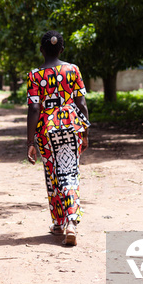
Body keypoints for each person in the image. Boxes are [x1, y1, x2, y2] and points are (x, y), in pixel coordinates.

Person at [26, 30, 90, 247]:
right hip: (72, 127)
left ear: (41, 49)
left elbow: (34, 108)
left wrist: (30, 141)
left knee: (52, 172)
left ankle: (58, 222)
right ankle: (70, 221)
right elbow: (81, 104)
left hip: (46, 130)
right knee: (69, 172)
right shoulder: (73, 70)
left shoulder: (35, 75)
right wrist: (86, 132)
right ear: (62, 49)